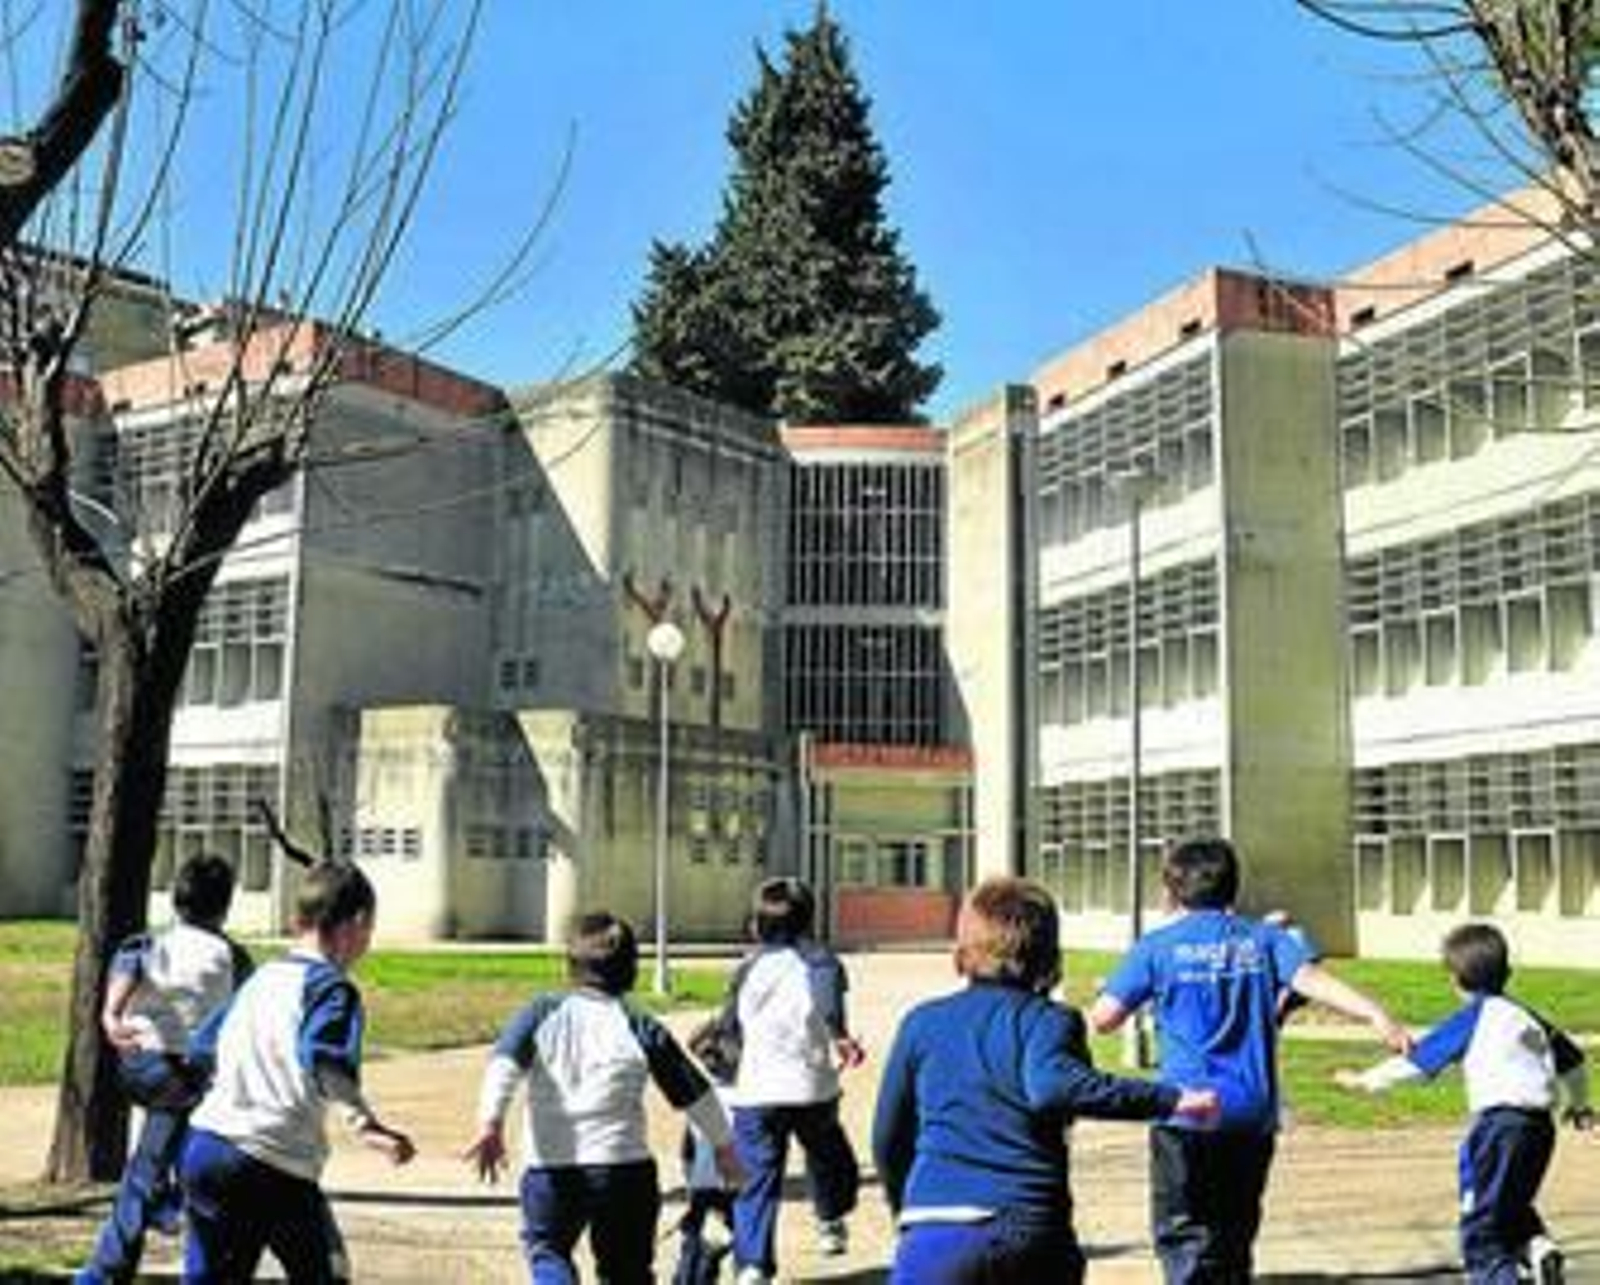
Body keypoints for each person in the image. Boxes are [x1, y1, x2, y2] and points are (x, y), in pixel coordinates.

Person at [1088, 837, 1411, 1284]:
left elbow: (1104, 1019)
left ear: (1171, 890)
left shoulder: (1157, 947)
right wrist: (1378, 1015)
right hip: (1250, 1113)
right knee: (1234, 1234)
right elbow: (1315, 982)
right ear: (1233, 888)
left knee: (1183, 1234)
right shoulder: (1265, 940)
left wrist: (1110, 993)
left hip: (1187, 1112)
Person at [872, 877, 1219, 1285]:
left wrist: (907, 1208)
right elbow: (1054, 1086)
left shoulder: (921, 1023)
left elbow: (887, 1138)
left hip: (935, 1231)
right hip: (1026, 1225)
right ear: (1048, 954)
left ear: (963, 948)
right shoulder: (1048, 1020)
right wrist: (1171, 1099)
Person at [464, 911, 742, 1285]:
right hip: (623, 1170)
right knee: (626, 1270)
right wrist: (724, 1146)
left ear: (570, 966)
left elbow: (504, 1065)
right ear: (631, 971)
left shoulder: (540, 1013)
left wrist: (490, 1122)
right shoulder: (639, 1024)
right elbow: (694, 1092)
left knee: (548, 1250)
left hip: (551, 1169)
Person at [179, 861, 415, 1283]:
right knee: (326, 1273)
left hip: (205, 1150)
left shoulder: (261, 978)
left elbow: (200, 1049)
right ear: (356, 923)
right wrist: (365, 1124)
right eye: (369, 930)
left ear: (298, 920)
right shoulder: (331, 988)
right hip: (269, 1163)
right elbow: (323, 1057)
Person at [1335, 922, 1592, 1285]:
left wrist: (1364, 1080)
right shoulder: (1528, 1017)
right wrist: (1580, 1106)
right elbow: (1574, 1059)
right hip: (1540, 1128)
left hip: (1498, 1128)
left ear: (1456, 980)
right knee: (1510, 1204)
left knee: (1481, 1234)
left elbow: (1420, 1061)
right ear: (1508, 972)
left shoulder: (1475, 1017)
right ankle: (1538, 1248)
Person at [77, 853, 252, 1285]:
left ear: (178, 900)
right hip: (187, 1076)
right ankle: (108, 1269)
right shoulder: (233, 956)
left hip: (137, 1065)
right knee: (152, 1172)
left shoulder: (148, 943)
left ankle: (159, 1212)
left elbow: (122, 978)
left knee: (170, 1153)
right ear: (224, 905)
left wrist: (111, 1018)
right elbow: (245, 1013)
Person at [723, 876, 864, 1285]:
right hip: (811, 1088)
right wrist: (843, 1040)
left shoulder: (747, 966)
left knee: (756, 1180)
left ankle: (753, 1264)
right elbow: (829, 1009)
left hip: (756, 1091)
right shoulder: (822, 962)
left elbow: (730, 1025)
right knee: (829, 1159)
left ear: (758, 921)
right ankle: (830, 1218)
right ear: (808, 918)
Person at [673, 1016, 741, 1285]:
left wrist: (691, 1179)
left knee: (696, 1238)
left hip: (704, 1180)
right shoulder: (751, 1095)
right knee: (719, 1240)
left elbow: (687, 1149)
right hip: (735, 1180)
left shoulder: (702, 1094)